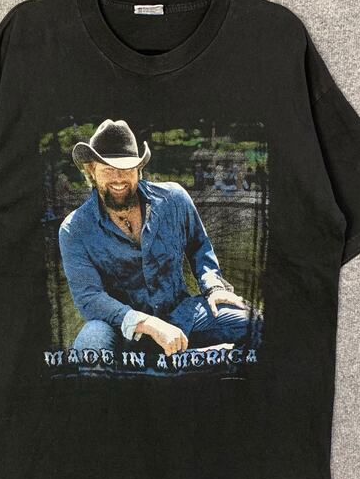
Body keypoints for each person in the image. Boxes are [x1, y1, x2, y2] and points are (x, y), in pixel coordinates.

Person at [58, 119, 259, 358]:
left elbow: (199, 246)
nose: (119, 178)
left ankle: (213, 375)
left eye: (127, 169)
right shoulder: (74, 229)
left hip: (183, 316)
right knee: (90, 341)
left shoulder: (174, 199)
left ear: (139, 169)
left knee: (252, 322)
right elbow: (90, 298)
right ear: (91, 171)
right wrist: (149, 324)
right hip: (122, 330)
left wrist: (213, 287)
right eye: (108, 170)